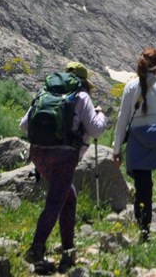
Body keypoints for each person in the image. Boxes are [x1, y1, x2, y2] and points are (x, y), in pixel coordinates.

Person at [20, 61, 107, 271]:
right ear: (83, 81)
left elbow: (23, 126)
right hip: (64, 156)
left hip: (38, 153)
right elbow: (95, 130)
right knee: (56, 200)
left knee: (68, 196)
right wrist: (101, 114)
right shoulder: (81, 96)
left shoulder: (45, 93)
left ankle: (68, 250)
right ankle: (36, 249)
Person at [112, 47, 156, 242]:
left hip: (138, 141)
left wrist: (116, 149)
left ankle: (144, 230)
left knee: (143, 187)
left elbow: (122, 120)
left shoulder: (130, 88)